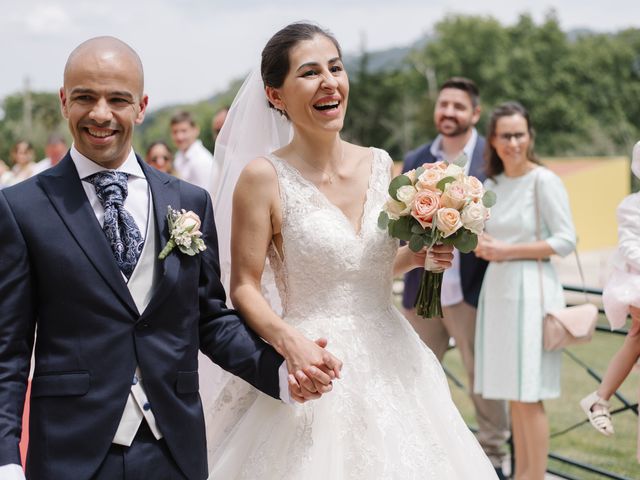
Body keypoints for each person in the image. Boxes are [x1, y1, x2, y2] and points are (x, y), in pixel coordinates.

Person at [0, 36, 337, 480]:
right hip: (71, 450)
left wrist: (281, 375)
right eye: (85, 97)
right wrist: (6, 457)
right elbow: (9, 349)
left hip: (173, 447)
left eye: (117, 99)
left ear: (140, 107)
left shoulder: (189, 202)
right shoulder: (21, 208)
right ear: (65, 102)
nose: (101, 113)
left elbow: (211, 321)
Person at [205, 22, 498, 479]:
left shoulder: (381, 163)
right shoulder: (262, 178)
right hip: (314, 362)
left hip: (394, 357)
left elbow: (363, 268)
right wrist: (290, 343)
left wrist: (417, 256)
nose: (329, 82)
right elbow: (243, 287)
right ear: (275, 95)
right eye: (309, 73)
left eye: (335, 68)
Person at [402, 77, 509, 477]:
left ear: (475, 113)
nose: (449, 112)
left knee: (483, 378)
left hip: (473, 290)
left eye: (458, 106)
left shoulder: (492, 156)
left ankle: (494, 459)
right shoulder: (415, 157)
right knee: (411, 373)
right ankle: (420, 454)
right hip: (421, 293)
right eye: (443, 104)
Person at [474, 102, 576, 480]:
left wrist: (506, 250)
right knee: (512, 394)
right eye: (505, 135)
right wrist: (481, 244)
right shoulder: (491, 185)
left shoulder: (544, 180)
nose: (513, 142)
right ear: (494, 141)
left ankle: (534, 476)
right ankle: (521, 476)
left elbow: (566, 239)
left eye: (520, 134)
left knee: (529, 396)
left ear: (530, 136)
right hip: (498, 291)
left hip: (532, 291)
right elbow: (485, 237)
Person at [580, 140, 640, 446]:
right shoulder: (633, 206)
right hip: (637, 279)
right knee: (637, 334)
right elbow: (630, 247)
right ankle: (600, 397)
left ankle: (600, 397)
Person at [171, 111, 219, 194]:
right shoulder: (179, 155)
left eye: (184, 131)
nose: (179, 137)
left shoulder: (202, 160)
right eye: (175, 132)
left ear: (196, 130)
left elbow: (206, 197)